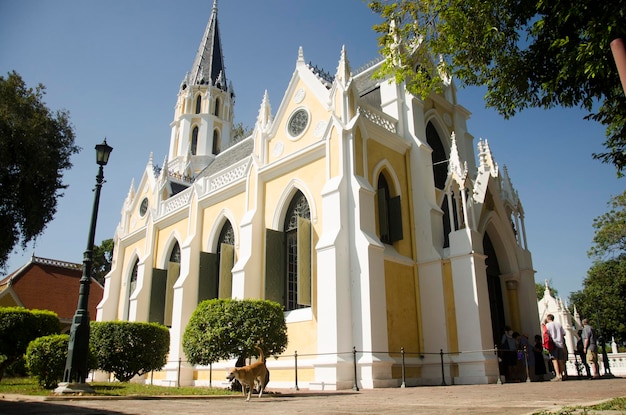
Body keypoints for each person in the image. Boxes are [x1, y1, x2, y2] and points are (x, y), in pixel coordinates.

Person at [545, 314, 566, 381]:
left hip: (553, 345)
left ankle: (558, 375)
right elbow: (564, 334)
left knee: (554, 360)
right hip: (560, 344)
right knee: (561, 360)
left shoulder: (547, 325)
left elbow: (546, 334)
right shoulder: (558, 324)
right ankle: (562, 375)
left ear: (548, 318)